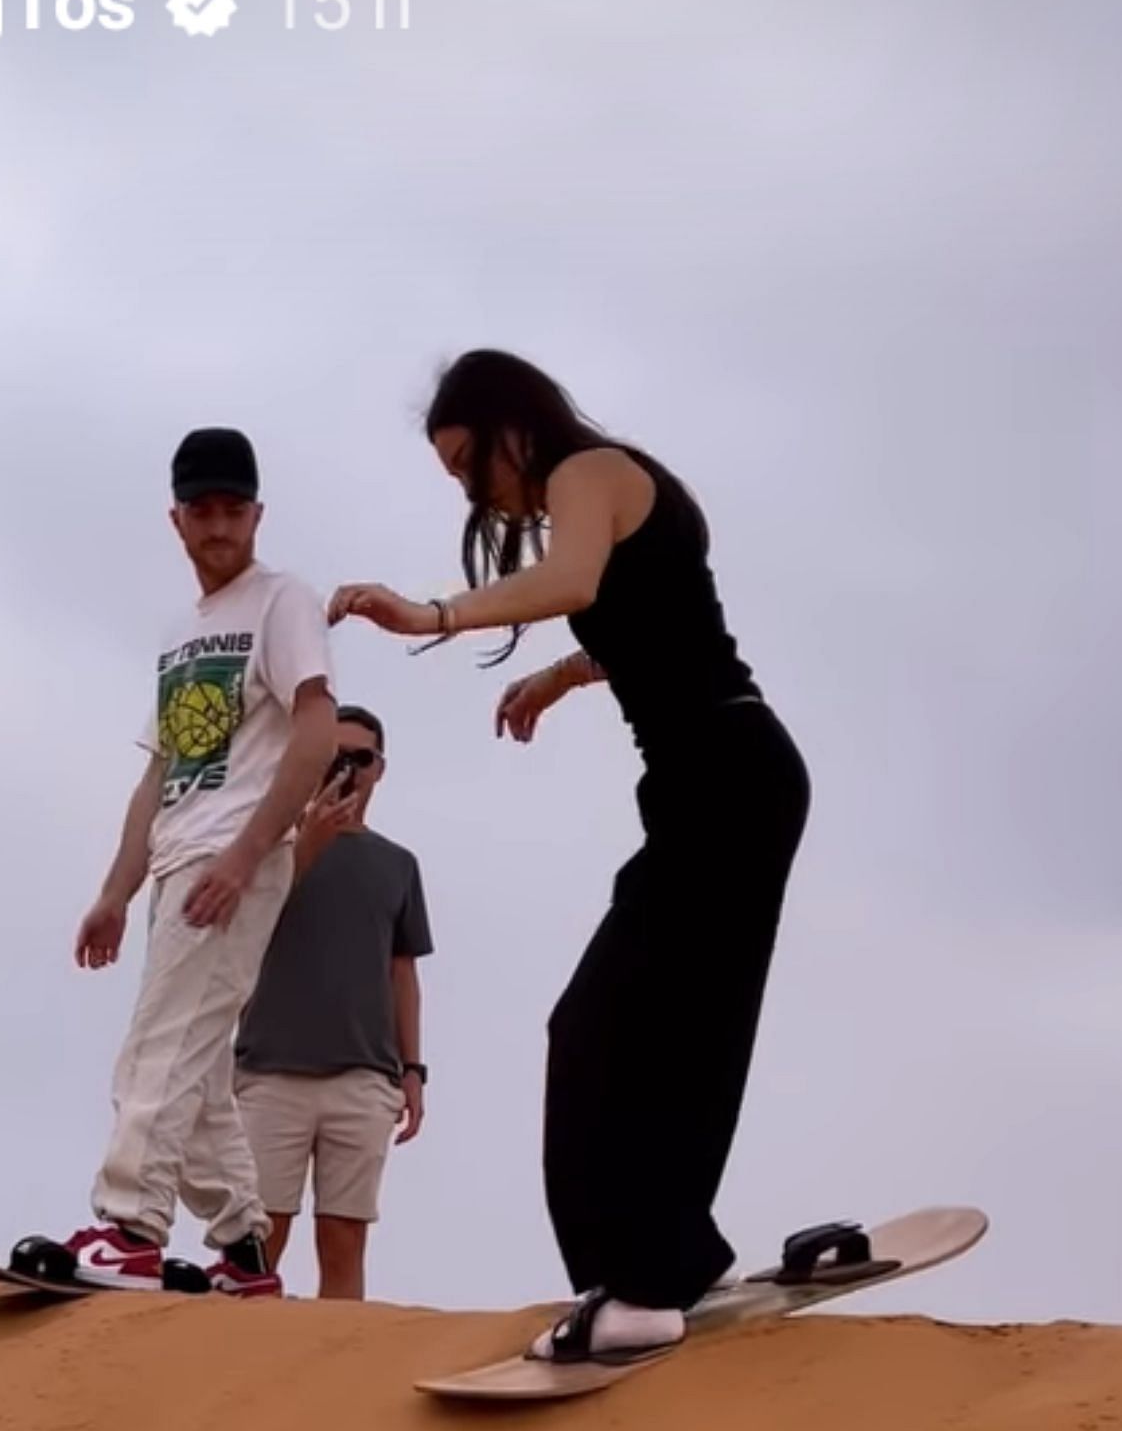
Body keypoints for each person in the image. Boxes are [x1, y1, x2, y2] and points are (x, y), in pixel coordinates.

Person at [329, 349, 811, 1362]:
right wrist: (562, 673)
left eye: (470, 464)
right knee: (678, 1026)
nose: (473, 489)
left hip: (725, 778)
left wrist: (434, 614)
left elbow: (576, 579)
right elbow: (654, 619)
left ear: (515, 425)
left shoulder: (587, 475)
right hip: (722, 779)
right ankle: (676, 1256)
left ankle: (635, 1282)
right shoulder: (617, 486)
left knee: (597, 1025)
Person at [27, 427, 338, 1296]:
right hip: (177, 861)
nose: (218, 528)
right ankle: (243, 1248)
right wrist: (115, 892)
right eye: (202, 511)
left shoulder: (283, 602)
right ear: (177, 519)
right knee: (191, 1067)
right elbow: (161, 771)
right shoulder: (182, 631)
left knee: (154, 1053)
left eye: (234, 511)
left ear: (257, 514)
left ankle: (129, 1225)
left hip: (230, 861)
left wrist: (246, 855)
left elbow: (317, 727)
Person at [232, 704, 432, 1300]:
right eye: (333, 755)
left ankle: (336, 1370)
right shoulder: (267, 845)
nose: (346, 768)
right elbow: (241, 927)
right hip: (270, 1070)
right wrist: (304, 843)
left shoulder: (397, 864)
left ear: (380, 768)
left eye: (360, 758)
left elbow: (403, 971)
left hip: (364, 1076)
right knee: (253, 1240)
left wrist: (414, 1071)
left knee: (344, 1238)